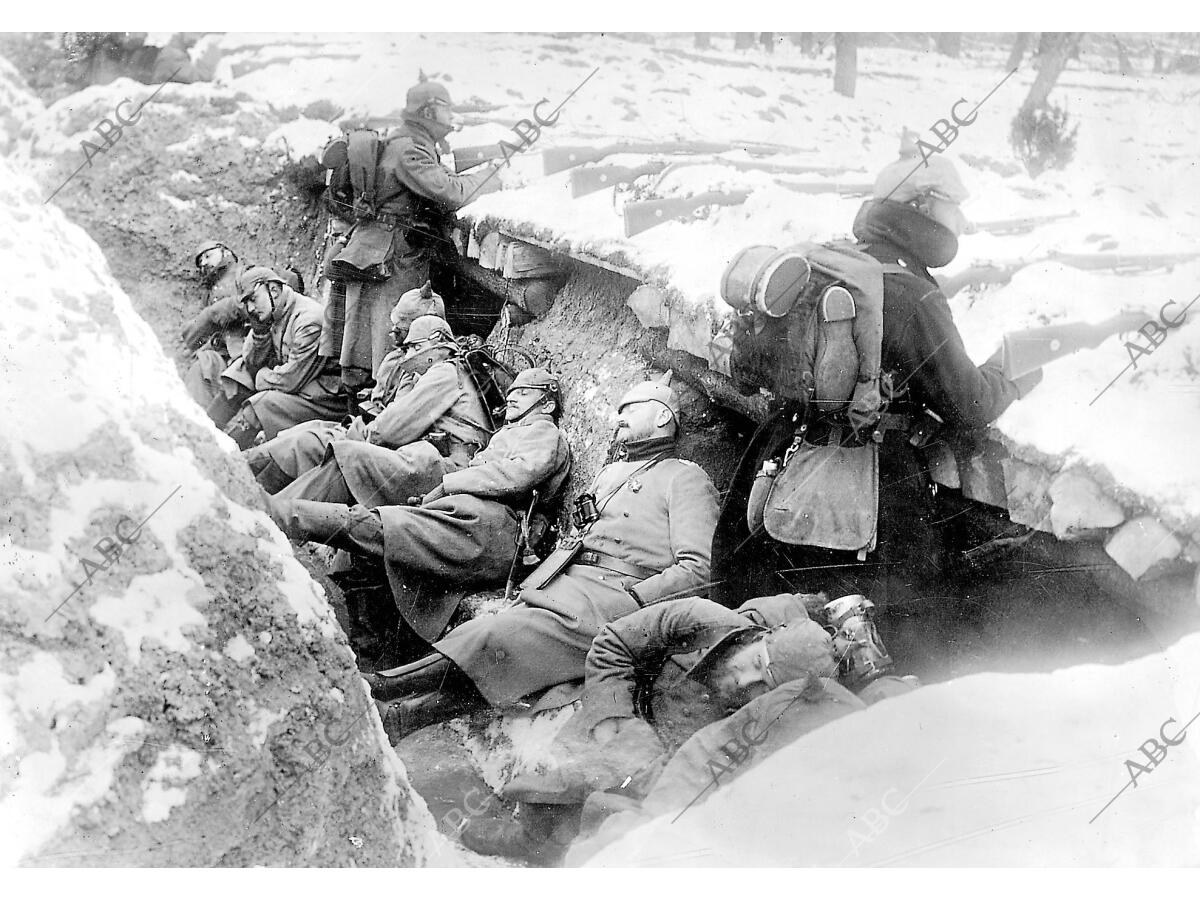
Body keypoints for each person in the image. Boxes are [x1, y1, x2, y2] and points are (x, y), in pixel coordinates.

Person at [712, 151, 1043, 609]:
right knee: (892, 625)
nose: (962, 222)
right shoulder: (911, 292)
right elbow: (970, 405)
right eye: (954, 206)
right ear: (923, 206)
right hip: (863, 485)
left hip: (774, 461)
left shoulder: (837, 263)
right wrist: (1017, 372)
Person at [364, 376, 721, 741]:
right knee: (492, 639)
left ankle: (383, 688)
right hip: (569, 588)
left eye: (631, 409)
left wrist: (635, 603)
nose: (619, 419)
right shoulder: (611, 474)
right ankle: (402, 715)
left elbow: (698, 569)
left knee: (498, 635)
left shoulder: (685, 478)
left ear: (663, 418)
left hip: (616, 601)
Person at [271, 367, 573, 645]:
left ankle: (275, 517)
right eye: (511, 391)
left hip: (494, 529)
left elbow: (521, 474)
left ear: (546, 404)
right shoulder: (511, 433)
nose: (512, 397)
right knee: (376, 540)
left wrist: (449, 484)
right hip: (474, 520)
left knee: (379, 526)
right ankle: (366, 643)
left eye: (524, 391)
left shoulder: (543, 431)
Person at [321, 78, 502, 395]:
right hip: (395, 254)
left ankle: (367, 399)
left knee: (368, 342)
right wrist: (495, 177)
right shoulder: (410, 150)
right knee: (390, 337)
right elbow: (454, 192)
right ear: (430, 110)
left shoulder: (404, 141)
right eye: (446, 108)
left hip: (377, 245)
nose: (452, 116)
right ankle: (383, 401)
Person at [266, 313, 492, 511]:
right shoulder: (448, 371)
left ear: (439, 342)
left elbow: (391, 429)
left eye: (416, 347)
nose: (409, 355)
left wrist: (363, 434)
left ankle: (274, 516)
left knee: (350, 456)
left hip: (449, 470)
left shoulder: (444, 372)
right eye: (408, 348)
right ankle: (274, 512)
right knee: (343, 453)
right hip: (438, 463)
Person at [244, 282, 446, 494]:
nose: (393, 334)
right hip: (369, 433)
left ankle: (255, 496)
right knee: (303, 433)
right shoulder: (395, 358)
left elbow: (393, 427)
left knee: (307, 443)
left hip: (383, 449)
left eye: (402, 329)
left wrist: (357, 430)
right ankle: (237, 471)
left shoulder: (430, 370)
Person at [214, 266, 344, 449]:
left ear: (274, 290)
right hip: (299, 381)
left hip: (324, 398)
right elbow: (250, 361)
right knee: (238, 375)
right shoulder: (274, 311)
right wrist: (260, 333)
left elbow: (291, 380)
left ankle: (225, 457)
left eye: (253, 299)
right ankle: (204, 430)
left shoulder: (308, 320)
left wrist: (261, 376)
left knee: (262, 404)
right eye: (247, 303)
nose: (250, 308)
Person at [180, 238, 247, 410]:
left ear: (225, 252)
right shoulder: (209, 294)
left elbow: (253, 303)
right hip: (223, 353)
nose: (204, 263)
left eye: (208, 256)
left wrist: (216, 312)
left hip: (248, 349)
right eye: (200, 262)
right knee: (201, 368)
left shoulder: (244, 273)